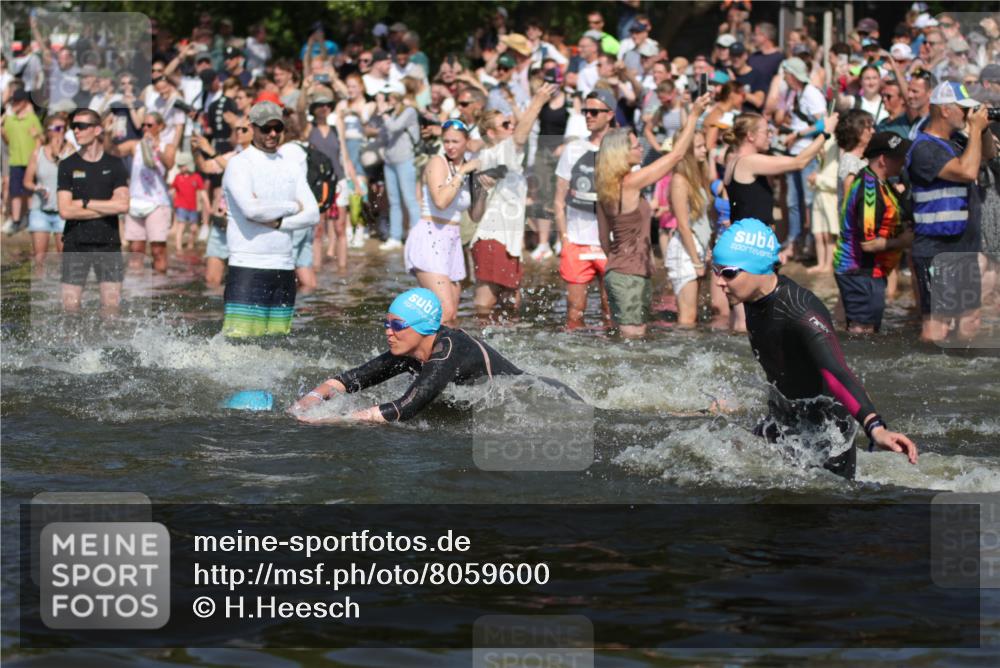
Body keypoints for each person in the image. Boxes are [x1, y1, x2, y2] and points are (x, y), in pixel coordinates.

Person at [712, 218, 918, 479]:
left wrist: (875, 427)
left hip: (827, 432)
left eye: (728, 272)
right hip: (785, 419)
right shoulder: (752, 297)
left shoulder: (800, 310)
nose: (719, 281)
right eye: (716, 270)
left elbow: (836, 371)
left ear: (758, 268)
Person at [289, 288, 581, 423]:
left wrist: (335, 419)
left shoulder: (447, 352)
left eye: (398, 325)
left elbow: (406, 407)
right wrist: (308, 402)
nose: (389, 332)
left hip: (543, 396)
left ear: (424, 328)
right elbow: (351, 379)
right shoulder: (409, 349)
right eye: (387, 324)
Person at [594, 95, 707, 337]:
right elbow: (676, 155)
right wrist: (694, 114)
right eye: (635, 146)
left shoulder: (605, 188)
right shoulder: (631, 183)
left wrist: (629, 260)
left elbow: (604, 240)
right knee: (633, 341)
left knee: (628, 341)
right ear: (621, 153)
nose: (641, 148)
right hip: (630, 275)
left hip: (620, 272)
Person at [221, 101, 320, 337]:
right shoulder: (239, 164)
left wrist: (280, 222)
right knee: (238, 343)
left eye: (278, 128)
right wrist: (293, 206)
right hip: (247, 265)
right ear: (252, 127)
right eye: (266, 128)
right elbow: (251, 210)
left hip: (284, 267)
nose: (273, 134)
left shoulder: (291, 166)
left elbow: (313, 213)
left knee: (277, 344)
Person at [905, 82, 989, 343]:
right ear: (944, 110)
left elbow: (987, 155)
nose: (967, 114)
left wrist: (981, 130)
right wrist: (974, 129)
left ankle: (960, 376)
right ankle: (925, 377)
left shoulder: (957, 142)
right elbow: (967, 171)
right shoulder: (923, 148)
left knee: (970, 320)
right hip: (935, 250)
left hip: (964, 247)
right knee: (936, 327)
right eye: (962, 109)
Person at [471, 84, 555, 320]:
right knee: (487, 304)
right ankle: (476, 347)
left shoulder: (497, 155)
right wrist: (537, 101)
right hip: (493, 238)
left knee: (510, 303)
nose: (512, 127)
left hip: (504, 240)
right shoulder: (499, 151)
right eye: (505, 125)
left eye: (510, 122)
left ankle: (497, 348)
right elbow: (521, 134)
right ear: (491, 133)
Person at [403, 119, 488, 326]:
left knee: (451, 316)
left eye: (455, 141)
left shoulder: (467, 168)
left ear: (466, 141)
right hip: (430, 236)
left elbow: (475, 215)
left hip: (452, 240)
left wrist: (483, 188)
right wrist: (461, 172)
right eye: (446, 141)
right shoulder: (437, 163)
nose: (450, 146)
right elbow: (441, 201)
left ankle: (440, 356)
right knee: (445, 312)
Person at [834, 132, 913, 333]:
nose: (904, 161)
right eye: (899, 157)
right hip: (859, 272)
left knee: (867, 330)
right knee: (863, 332)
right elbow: (868, 244)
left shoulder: (881, 182)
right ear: (883, 160)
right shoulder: (869, 191)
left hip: (869, 272)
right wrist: (903, 241)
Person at [722, 111, 838, 248]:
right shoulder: (748, 162)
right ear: (751, 136)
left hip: (746, 242)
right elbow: (799, 162)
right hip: (751, 246)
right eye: (766, 132)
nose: (770, 135)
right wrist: (825, 132)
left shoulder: (735, 161)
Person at [56, 108, 130, 314]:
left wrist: (85, 202)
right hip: (75, 242)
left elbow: (123, 205)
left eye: (81, 126)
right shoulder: (67, 165)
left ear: (97, 130)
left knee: (111, 308)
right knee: (70, 308)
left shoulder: (115, 164)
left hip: (108, 243)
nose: (76, 131)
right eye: (74, 127)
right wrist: (107, 207)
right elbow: (65, 210)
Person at [554, 89, 617, 330]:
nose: (588, 116)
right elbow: (558, 200)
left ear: (609, 114)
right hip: (577, 239)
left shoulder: (621, 148)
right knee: (574, 313)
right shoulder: (573, 149)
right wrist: (564, 238)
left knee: (611, 311)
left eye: (594, 111)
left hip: (610, 242)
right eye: (585, 112)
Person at [105, 111, 183, 274]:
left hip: (158, 203)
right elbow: (112, 151)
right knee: (136, 250)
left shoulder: (167, 147)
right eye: (143, 125)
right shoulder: (135, 145)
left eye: (150, 125)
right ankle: (137, 290)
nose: (145, 128)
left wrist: (155, 148)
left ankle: (159, 287)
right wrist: (106, 133)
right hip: (135, 202)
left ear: (160, 127)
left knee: (157, 250)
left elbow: (169, 164)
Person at [774, 57, 828, 261]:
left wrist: (797, 135)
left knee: (808, 201)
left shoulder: (812, 93)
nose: (783, 77)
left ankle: (812, 243)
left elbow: (823, 124)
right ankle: (794, 240)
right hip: (793, 152)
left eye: (786, 73)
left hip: (807, 153)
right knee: (792, 201)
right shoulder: (793, 93)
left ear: (793, 75)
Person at [191, 116, 254, 288]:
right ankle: (213, 314)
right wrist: (196, 150)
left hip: (244, 227)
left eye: (244, 129)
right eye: (236, 129)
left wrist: (211, 150)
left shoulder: (258, 158)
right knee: (212, 279)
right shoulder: (232, 155)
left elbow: (237, 172)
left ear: (255, 131)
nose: (239, 132)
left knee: (243, 282)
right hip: (222, 222)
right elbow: (205, 167)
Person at [666, 130, 715, 328]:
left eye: (705, 145)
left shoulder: (698, 177)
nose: (705, 149)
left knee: (693, 315)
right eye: (699, 146)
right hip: (685, 252)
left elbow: (702, 220)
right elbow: (683, 225)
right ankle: (681, 355)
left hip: (697, 247)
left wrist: (707, 249)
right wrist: (696, 261)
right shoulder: (679, 180)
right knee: (688, 317)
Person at [23, 113, 73, 266]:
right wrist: (37, 187)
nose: (61, 131)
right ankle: (40, 287)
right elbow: (27, 181)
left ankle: (63, 289)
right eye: (57, 128)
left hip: (62, 211)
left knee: (64, 258)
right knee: (39, 258)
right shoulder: (37, 153)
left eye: (64, 128)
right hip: (40, 210)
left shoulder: (70, 152)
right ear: (48, 131)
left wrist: (58, 155)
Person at [378, 81, 421, 250]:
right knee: (394, 201)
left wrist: (384, 114)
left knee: (409, 199)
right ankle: (395, 237)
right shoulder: (391, 113)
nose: (385, 100)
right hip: (390, 161)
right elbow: (383, 134)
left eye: (387, 97)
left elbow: (395, 128)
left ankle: (417, 237)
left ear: (396, 96)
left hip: (406, 160)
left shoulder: (409, 111)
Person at [2, 88, 42, 235]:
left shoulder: (32, 118)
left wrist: (36, 135)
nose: (15, 104)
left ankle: (32, 220)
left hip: (31, 162)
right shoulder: (10, 120)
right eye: (14, 101)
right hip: (15, 161)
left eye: (18, 101)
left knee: (30, 192)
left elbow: (42, 139)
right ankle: (16, 221)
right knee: (15, 193)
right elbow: (6, 140)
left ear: (25, 103)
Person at [169, 152, 208, 254]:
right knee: (180, 226)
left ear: (189, 165)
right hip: (181, 206)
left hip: (193, 207)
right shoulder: (178, 177)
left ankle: (190, 244)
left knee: (194, 228)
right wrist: (170, 198)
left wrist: (207, 205)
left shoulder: (196, 177)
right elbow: (172, 189)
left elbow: (203, 192)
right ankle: (179, 247)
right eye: (179, 166)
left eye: (182, 165)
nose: (180, 168)